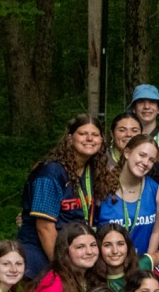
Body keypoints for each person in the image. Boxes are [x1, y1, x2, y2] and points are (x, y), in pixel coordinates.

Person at [18, 115, 116, 278]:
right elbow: (44, 227)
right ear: (70, 138)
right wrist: (61, 268)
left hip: (73, 250)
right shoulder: (50, 172)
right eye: (83, 133)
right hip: (43, 251)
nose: (89, 139)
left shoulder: (91, 170)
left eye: (95, 134)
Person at [98, 134, 159, 255]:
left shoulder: (155, 191)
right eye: (142, 155)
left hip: (140, 268)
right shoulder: (102, 186)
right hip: (107, 266)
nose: (145, 162)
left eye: (151, 160)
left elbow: (155, 231)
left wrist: (148, 262)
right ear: (127, 153)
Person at [93, 223, 139, 292]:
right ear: (98, 248)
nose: (115, 251)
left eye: (120, 244)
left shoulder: (142, 265)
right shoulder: (90, 279)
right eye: (107, 245)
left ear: (128, 246)